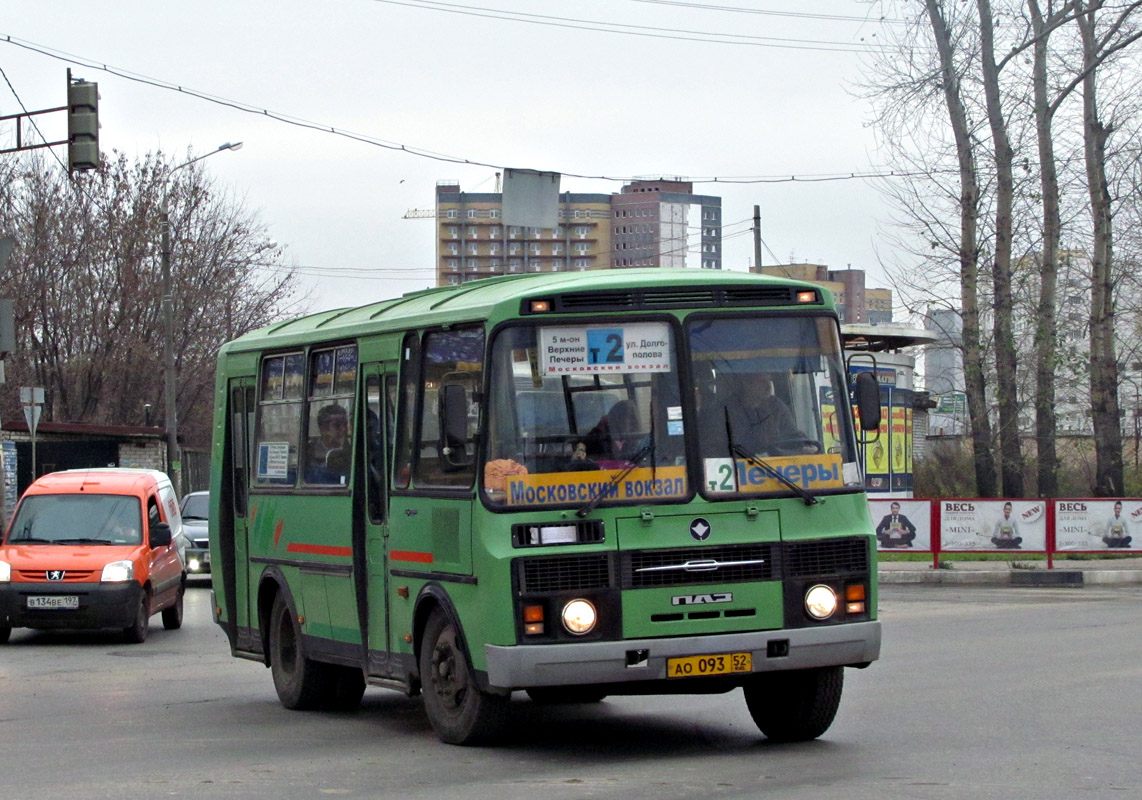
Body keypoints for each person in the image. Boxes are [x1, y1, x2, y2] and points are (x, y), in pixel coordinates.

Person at [732, 372, 815, 456]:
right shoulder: (731, 410)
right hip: (741, 464)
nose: (768, 386)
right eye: (762, 382)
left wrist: (804, 444)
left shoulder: (776, 406)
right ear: (747, 384)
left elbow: (792, 433)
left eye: (769, 381)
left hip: (775, 464)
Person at [586, 399, 642, 467]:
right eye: (626, 419)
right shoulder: (598, 435)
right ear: (615, 418)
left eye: (633, 419)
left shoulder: (638, 440)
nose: (631, 424)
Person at [307, 403, 350, 482]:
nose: (343, 429)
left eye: (345, 424)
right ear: (323, 428)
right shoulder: (309, 452)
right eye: (337, 425)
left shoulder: (351, 449)